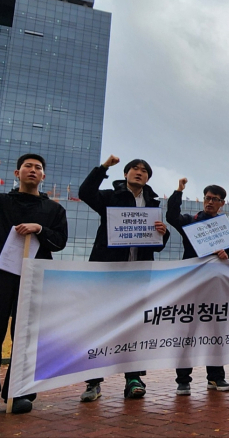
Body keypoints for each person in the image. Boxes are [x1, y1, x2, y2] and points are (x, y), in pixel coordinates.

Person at [0, 154, 68, 417]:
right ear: (17, 173)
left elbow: (60, 241)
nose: (33, 170)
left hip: (33, 278)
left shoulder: (53, 210)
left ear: (43, 176)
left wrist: (40, 228)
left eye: (38, 167)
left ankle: (19, 393)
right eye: (28, 166)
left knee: (25, 337)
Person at [77, 155, 170, 402]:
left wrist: (164, 232)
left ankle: (134, 378)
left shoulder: (153, 204)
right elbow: (85, 192)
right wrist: (103, 167)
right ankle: (93, 382)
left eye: (144, 170)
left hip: (138, 274)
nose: (139, 173)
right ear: (126, 173)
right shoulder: (109, 197)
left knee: (134, 327)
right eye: (134, 169)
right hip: (107, 272)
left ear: (148, 177)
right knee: (100, 325)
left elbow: (157, 246)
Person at [166, 177, 229, 395]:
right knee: (188, 331)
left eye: (215, 199)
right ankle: (183, 379)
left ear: (222, 203)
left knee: (215, 331)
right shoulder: (189, 221)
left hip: (216, 287)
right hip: (191, 284)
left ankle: (216, 378)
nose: (209, 202)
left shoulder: (225, 229)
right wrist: (178, 191)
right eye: (207, 198)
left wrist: (228, 254)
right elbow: (171, 217)